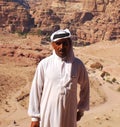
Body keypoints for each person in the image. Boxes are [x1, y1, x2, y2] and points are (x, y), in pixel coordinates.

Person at [28, 28, 90, 127]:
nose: (62, 47)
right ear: (53, 45)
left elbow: (85, 85)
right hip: (48, 113)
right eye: (58, 43)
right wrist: (35, 117)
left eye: (65, 43)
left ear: (69, 45)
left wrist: (81, 109)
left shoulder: (77, 65)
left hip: (69, 114)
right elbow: (36, 90)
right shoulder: (45, 64)